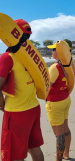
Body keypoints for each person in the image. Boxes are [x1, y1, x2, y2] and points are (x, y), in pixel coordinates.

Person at [0, 19, 44, 161]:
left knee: (13, 155)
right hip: (34, 108)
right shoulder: (32, 58)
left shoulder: (7, 57)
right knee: (34, 147)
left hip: (17, 112)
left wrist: (1, 103)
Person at [46, 42, 74, 161]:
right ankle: (66, 154)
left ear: (59, 52)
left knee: (59, 134)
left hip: (55, 102)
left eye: (53, 49)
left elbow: (46, 87)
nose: (51, 51)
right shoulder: (69, 65)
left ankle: (59, 159)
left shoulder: (55, 67)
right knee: (65, 128)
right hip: (65, 99)